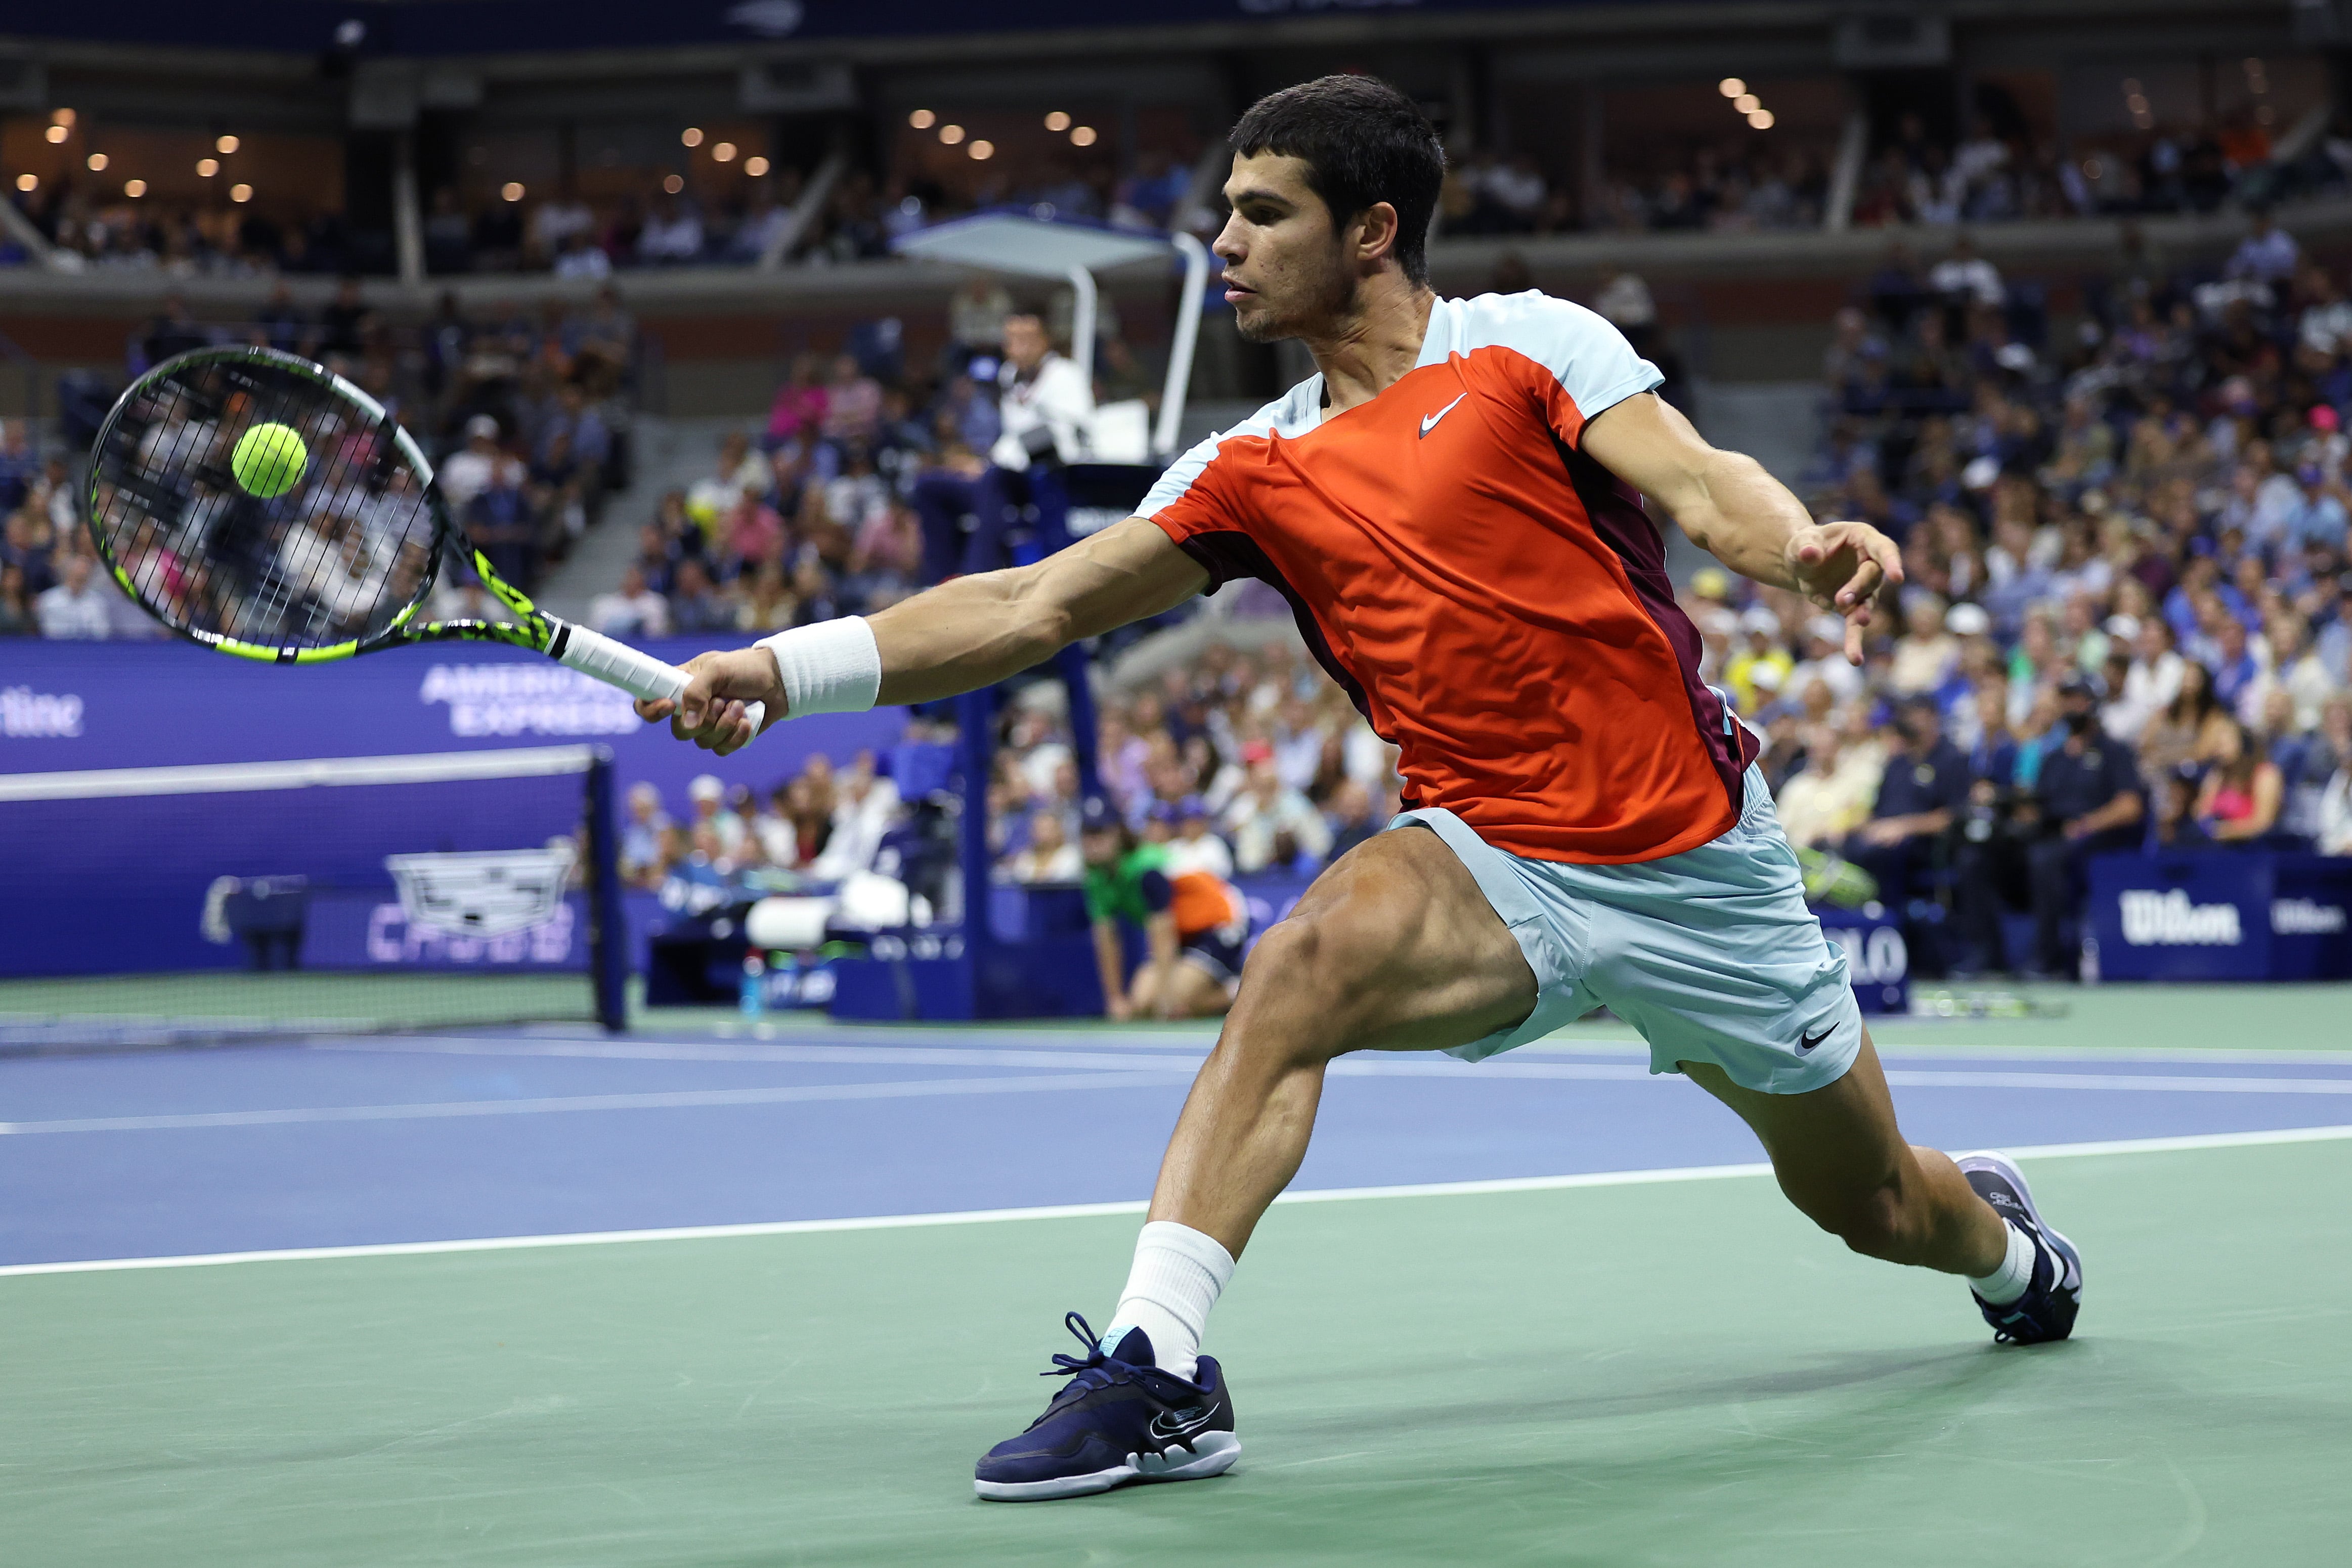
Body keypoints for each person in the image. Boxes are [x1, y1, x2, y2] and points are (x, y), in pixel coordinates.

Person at [640, 76, 2082, 1503]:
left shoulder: (1525, 349)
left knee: (1880, 1204)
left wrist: (1801, 545)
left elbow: (1703, 485)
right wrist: (783, 666)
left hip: (1701, 866)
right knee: (1300, 960)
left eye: (1264, 214)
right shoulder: (1252, 468)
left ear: (1372, 229)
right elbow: (1030, 604)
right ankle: (1157, 1364)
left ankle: (2013, 1252)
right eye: (1225, 212)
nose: (1226, 243)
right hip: (1494, 864)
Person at [1077, 797, 1247, 1023]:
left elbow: (1162, 931)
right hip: (1180, 933)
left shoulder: (1147, 869)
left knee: (1178, 1002)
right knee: (1141, 1004)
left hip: (1218, 922)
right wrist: (1115, 999)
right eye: (1088, 834)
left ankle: (1240, 992)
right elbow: (1106, 939)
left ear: (1118, 833)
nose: (1094, 842)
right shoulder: (1096, 878)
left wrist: (1167, 1001)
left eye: (1101, 833)